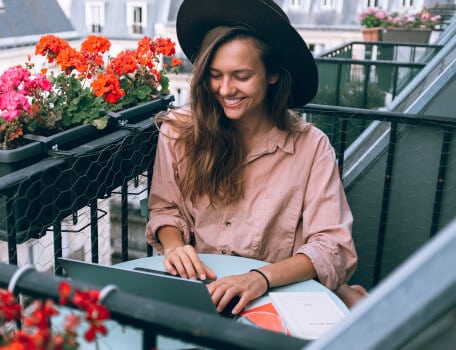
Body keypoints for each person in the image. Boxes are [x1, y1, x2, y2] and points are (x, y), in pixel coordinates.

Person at [145, 0, 366, 316]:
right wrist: (174, 246)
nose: (225, 89)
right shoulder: (179, 132)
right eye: (214, 74)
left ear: (272, 74)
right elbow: (165, 207)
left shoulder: (311, 147)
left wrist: (259, 279)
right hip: (201, 294)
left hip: (276, 299)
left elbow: (333, 248)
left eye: (241, 75)